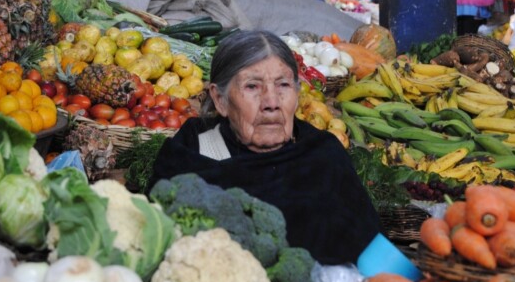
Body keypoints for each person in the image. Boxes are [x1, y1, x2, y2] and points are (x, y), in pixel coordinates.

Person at [149, 30, 382, 265]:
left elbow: (373, 259)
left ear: (297, 93)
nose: (271, 102)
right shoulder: (191, 153)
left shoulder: (324, 156)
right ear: (220, 99)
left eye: (283, 85)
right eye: (252, 87)